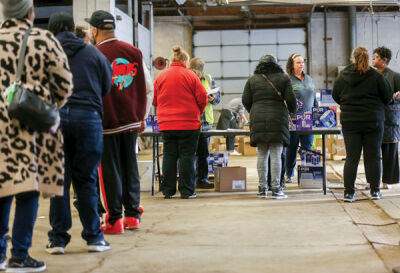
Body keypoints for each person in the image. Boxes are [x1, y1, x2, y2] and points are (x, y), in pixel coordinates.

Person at [0, 0, 73, 271]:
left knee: (2, 186)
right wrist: (46, 103)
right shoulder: (43, 39)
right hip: (30, 127)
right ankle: (19, 255)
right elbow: (64, 85)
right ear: (29, 13)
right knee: (27, 188)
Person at [46, 12, 112, 254]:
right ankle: (94, 238)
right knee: (86, 179)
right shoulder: (94, 53)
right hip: (89, 119)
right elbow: (106, 87)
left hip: (55, 120)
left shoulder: (45, 55)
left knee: (59, 181)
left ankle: (58, 240)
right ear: (73, 29)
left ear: (51, 32)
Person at [86, 10, 147, 234]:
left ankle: (114, 219)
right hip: (131, 120)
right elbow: (146, 86)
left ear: (94, 30)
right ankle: (132, 215)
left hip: (107, 123)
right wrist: (141, 116)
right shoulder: (134, 52)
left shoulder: (94, 54)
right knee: (130, 166)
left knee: (108, 171)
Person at [332, 46, 392, 202]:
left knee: (352, 157)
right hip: (374, 121)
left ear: (353, 58)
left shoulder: (343, 75)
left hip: (350, 122)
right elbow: (387, 98)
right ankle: (375, 190)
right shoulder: (376, 76)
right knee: (373, 157)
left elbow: (335, 96)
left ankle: (349, 193)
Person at [153, 46, 208, 199]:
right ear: (185, 61)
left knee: (169, 156)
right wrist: (199, 111)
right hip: (188, 123)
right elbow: (203, 97)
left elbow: (155, 101)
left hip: (166, 123)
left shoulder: (160, 77)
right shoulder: (191, 76)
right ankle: (187, 191)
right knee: (187, 156)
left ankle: (168, 191)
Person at [242, 54, 296, 198]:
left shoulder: (252, 80)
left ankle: (262, 189)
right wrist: (292, 111)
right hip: (278, 118)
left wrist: (254, 111)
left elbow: (245, 100)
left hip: (258, 117)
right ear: (275, 64)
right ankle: (277, 189)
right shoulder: (284, 78)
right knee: (276, 154)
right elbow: (291, 99)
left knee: (262, 154)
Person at [285, 53, 318, 184]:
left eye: (302, 62)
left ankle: (307, 175)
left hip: (309, 119)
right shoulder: (288, 80)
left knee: (307, 148)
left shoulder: (309, 79)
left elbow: (314, 98)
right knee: (291, 148)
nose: (301, 64)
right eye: (298, 62)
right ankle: (289, 174)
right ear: (292, 65)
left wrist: (317, 115)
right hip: (293, 120)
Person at [189, 57, 220, 189]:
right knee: (189, 153)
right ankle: (189, 180)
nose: (197, 74)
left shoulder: (208, 78)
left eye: (199, 72)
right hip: (190, 120)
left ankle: (202, 179)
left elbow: (218, 99)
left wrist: (213, 99)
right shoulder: (187, 77)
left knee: (203, 153)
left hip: (205, 122)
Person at [372, 46, 400, 190]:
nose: (373, 59)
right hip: (374, 117)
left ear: (384, 60)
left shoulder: (395, 76)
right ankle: (374, 180)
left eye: (376, 57)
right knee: (373, 151)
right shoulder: (371, 75)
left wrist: (396, 96)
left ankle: (387, 180)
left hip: (390, 118)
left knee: (389, 151)